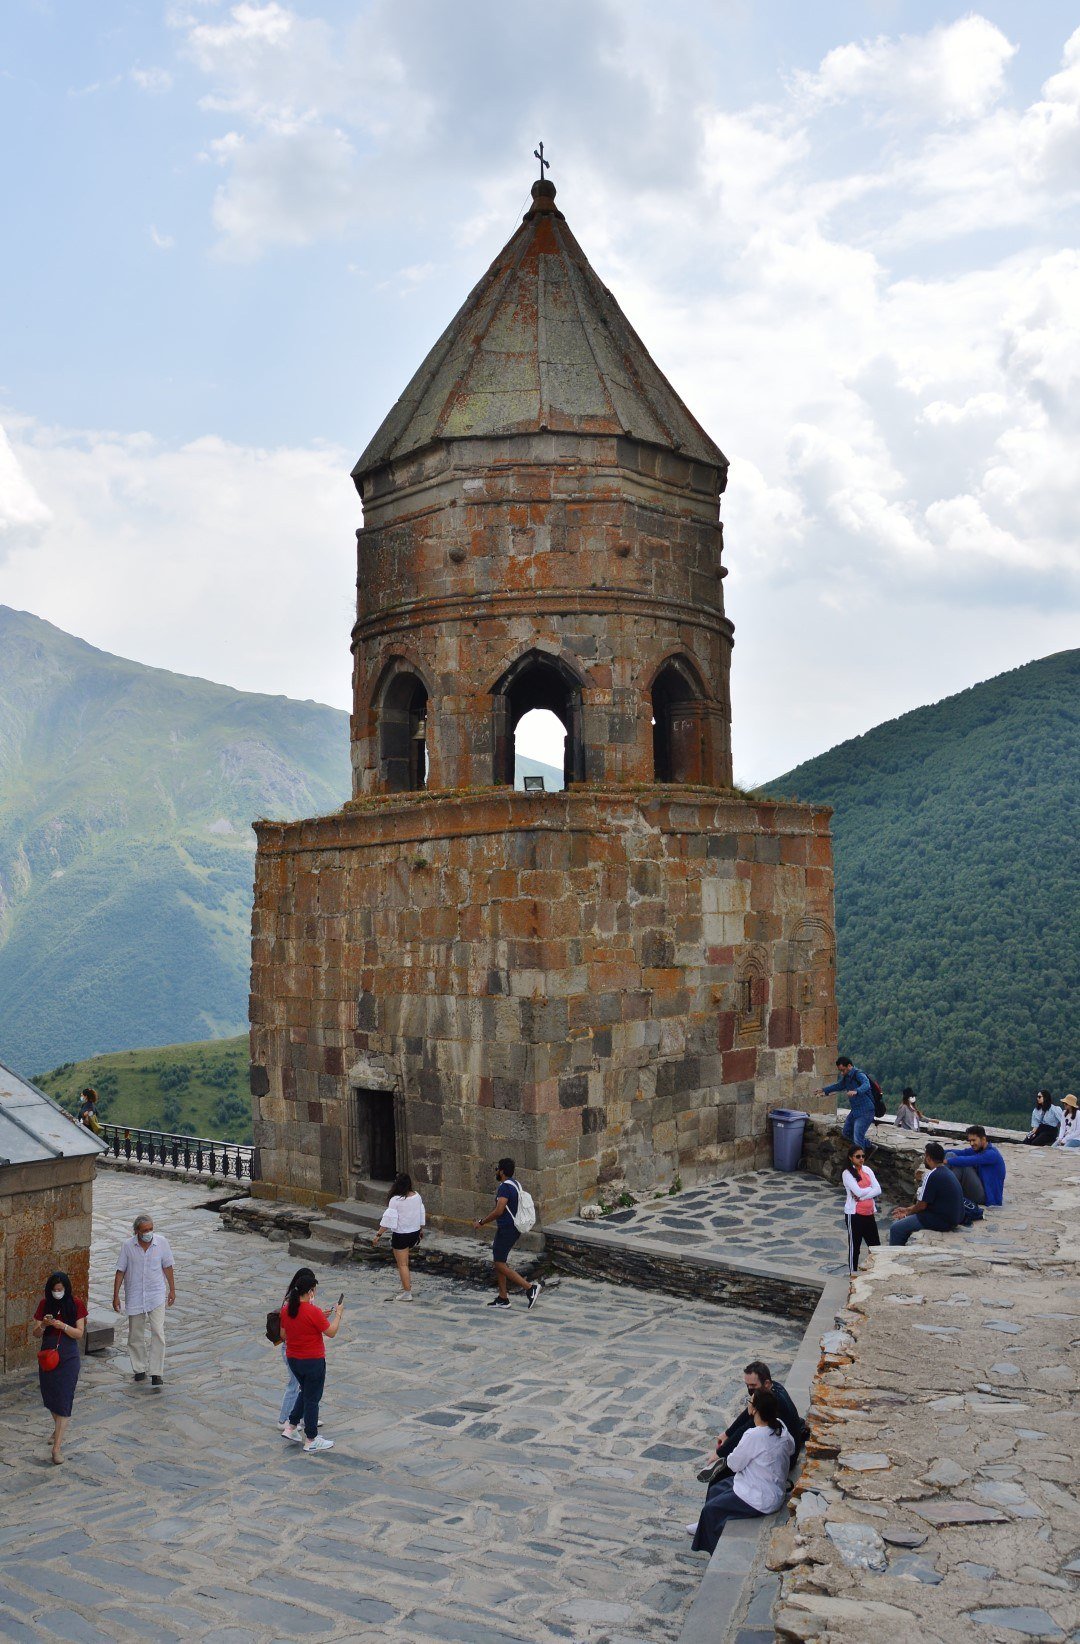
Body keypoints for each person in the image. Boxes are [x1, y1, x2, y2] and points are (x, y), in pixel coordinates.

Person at [689, 1386, 795, 1554]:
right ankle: (704, 1525)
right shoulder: (780, 1427)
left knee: (711, 1510)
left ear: (754, 1410)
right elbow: (791, 1448)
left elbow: (733, 1464)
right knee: (717, 1488)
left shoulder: (754, 1435)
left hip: (760, 1497)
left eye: (750, 1402)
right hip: (768, 1486)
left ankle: (713, 1551)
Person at [697, 1360, 802, 1484]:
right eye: (747, 1385)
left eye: (753, 1386)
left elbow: (748, 1426)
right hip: (779, 1445)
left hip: (784, 1460)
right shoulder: (773, 1389)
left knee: (721, 1476)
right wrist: (727, 1434)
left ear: (766, 1383)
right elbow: (748, 1412)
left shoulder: (773, 1404)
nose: (749, 1389)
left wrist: (720, 1453)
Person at [280, 1268, 342, 1454]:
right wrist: (338, 1314)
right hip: (312, 1361)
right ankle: (311, 1439)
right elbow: (331, 1332)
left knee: (304, 1391)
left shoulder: (286, 1309)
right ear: (310, 1292)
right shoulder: (313, 1311)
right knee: (312, 1399)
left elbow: (284, 1334)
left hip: (293, 1359)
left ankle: (290, 1427)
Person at [113, 1213, 175, 1385]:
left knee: (158, 1331)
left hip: (156, 1293)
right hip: (135, 1294)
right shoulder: (128, 1246)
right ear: (136, 1231)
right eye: (145, 1230)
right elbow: (120, 1270)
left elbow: (168, 1266)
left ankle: (157, 1372)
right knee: (135, 1333)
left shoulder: (161, 1243)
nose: (148, 1233)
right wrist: (115, 1295)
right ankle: (139, 1368)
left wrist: (172, 1290)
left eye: (150, 1229)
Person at [32, 1271, 87, 1464]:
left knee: (64, 1399)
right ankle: (58, 1428)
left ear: (66, 1289)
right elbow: (36, 1333)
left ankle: (57, 1448)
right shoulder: (44, 1304)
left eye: (60, 1289)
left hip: (68, 1356)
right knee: (50, 1396)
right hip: (48, 1356)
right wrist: (46, 1325)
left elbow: (79, 1333)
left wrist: (62, 1325)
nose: (57, 1292)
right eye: (54, 1290)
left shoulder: (76, 1304)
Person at [473, 1157, 542, 1310]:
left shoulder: (504, 1187)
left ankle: (530, 1288)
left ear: (502, 1171)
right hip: (511, 1228)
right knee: (500, 1261)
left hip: (507, 1229)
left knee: (499, 1263)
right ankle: (503, 1297)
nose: (496, 1172)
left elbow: (499, 1210)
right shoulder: (515, 1184)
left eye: (497, 1169)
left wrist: (482, 1222)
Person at [889, 1141, 965, 1245]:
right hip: (953, 1219)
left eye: (925, 1157)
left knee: (896, 1228)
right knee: (903, 1224)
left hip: (942, 1221)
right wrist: (907, 1209)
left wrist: (907, 1214)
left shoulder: (932, 1175)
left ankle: (893, 1254)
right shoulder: (947, 1172)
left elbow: (922, 1206)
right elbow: (926, 1202)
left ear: (928, 1158)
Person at [372, 1172, 426, 1299]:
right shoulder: (417, 1196)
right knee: (404, 1262)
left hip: (401, 1235)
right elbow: (421, 1213)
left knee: (402, 1264)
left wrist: (378, 1235)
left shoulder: (395, 1200)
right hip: (414, 1233)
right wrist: (421, 1230)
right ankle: (405, 1284)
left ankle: (407, 1293)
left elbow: (388, 1221)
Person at [818, 1056, 876, 1154]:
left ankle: (859, 1163)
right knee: (846, 1133)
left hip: (866, 1111)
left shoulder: (859, 1074)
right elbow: (839, 1086)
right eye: (840, 1071)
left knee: (858, 1137)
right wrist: (824, 1090)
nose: (842, 1073)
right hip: (855, 1111)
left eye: (843, 1070)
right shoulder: (846, 1078)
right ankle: (868, 1145)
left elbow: (866, 1084)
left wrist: (857, 1091)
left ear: (849, 1066)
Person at [842, 1144, 882, 1273]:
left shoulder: (867, 1170)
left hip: (869, 1213)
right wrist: (870, 1190)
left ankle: (876, 1271)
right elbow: (857, 1192)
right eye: (858, 1156)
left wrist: (865, 1195)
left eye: (863, 1156)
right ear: (851, 1157)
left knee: (876, 1246)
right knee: (855, 1247)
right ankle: (852, 1274)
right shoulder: (847, 1173)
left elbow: (878, 1189)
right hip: (854, 1216)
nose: (861, 1159)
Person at [945, 1125, 1006, 1206]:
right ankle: (942, 1186)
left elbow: (968, 1161)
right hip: (978, 1188)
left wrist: (946, 1161)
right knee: (950, 1154)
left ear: (983, 1139)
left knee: (963, 1166)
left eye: (974, 1140)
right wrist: (938, 1151)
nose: (971, 1143)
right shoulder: (978, 1150)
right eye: (970, 1141)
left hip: (986, 1197)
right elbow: (960, 1152)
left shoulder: (991, 1154)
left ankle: (943, 1189)